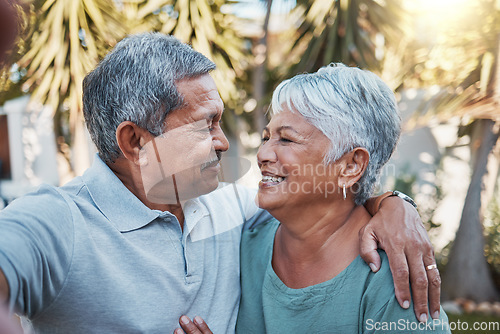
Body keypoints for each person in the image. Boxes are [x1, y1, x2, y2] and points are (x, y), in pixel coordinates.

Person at [0, 33, 437, 333]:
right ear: (135, 141)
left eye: (221, 122)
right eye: (205, 125)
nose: (227, 144)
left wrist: (394, 204)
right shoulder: (57, 222)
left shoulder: (231, 211)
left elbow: (322, 202)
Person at [235, 64, 449, 333]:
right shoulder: (242, 246)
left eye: (286, 140)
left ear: (350, 166)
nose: (263, 154)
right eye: (266, 137)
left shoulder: (392, 280)